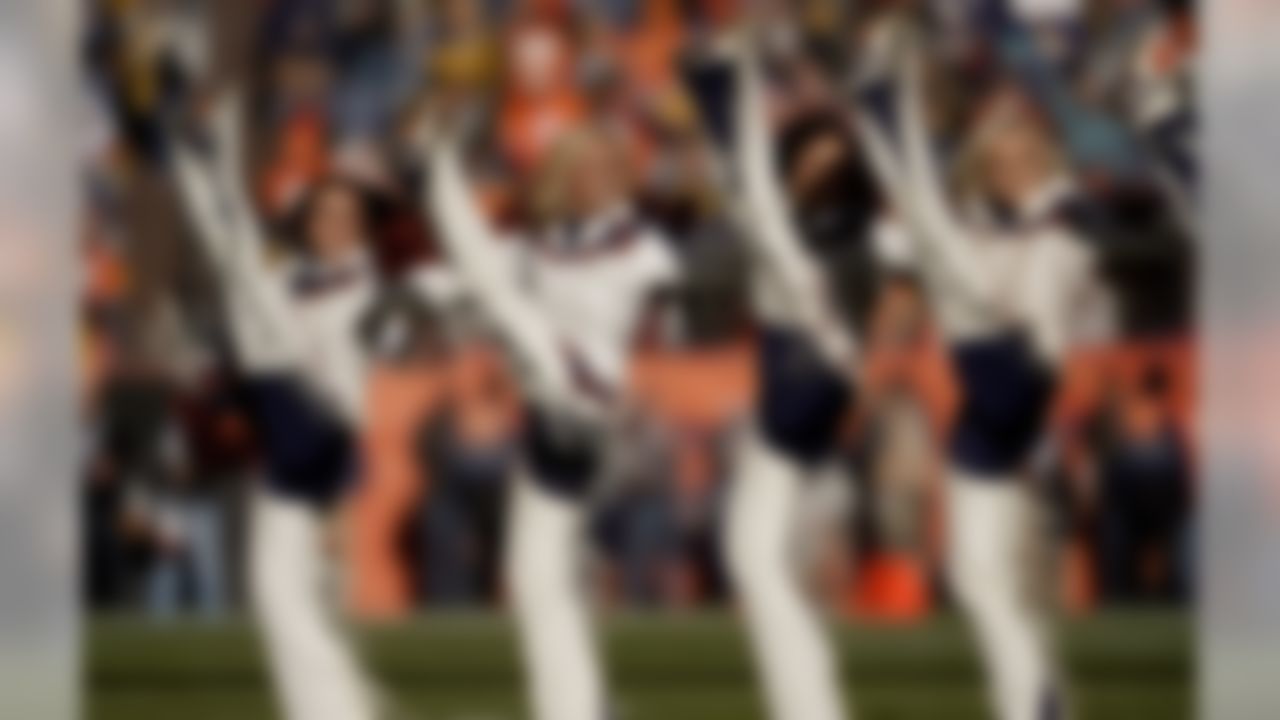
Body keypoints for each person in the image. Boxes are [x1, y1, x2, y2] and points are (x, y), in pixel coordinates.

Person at [852, 20, 1115, 720]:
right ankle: (1033, 699)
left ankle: (881, 98)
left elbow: (1047, 268)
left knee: (933, 227)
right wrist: (877, 357)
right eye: (1003, 151)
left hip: (1026, 373)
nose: (1015, 159)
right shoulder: (972, 216)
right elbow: (907, 286)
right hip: (983, 404)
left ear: (1047, 153)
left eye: (1027, 146)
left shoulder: (1067, 210)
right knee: (974, 575)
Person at [171, 93, 455, 720]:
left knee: (291, 604)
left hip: (326, 449)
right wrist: (191, 170)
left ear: (364, 224)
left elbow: (425, 298)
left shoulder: (373, 283)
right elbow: (227, 246)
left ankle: (344, 712)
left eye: (345, 215)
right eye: (322, 214)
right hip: (284, 446)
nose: (332, 226)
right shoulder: (290, 277)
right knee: (285, 607)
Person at [427, 120, 680, 720]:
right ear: (561, 179)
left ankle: (436, 169)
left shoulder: (643, 246)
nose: (596, 176)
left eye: (607, 164)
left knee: (541, 570)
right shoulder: (541, 246)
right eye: (581, 166)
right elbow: (465, 274)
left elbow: (667, 299)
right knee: (541, 573)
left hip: (598, 412)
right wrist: (417, 293)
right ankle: (585, 703)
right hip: (550, 418)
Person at [720, 36, 880, 720]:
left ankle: (811, 702)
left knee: (764, 561)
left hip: (808, 417)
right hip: (780, 416)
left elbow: (763, 192)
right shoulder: (781, 226)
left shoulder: (853, 234)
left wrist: (760, 77)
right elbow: (752, 184)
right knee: (760, 564)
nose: (819, 172)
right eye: (809, 161)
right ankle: (809, 701)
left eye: (830, 164)